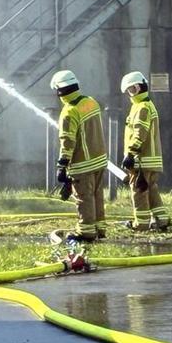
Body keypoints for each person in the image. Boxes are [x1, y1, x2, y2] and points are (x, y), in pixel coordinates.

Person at [49, 69, 108, 242]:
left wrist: (62, 164)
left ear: (59, 91)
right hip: (99, 160)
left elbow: (68, 141)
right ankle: (100, 229)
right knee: (97, 195)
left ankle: (86, 232)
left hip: (83, 164)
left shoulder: (69, 112)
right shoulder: (91, 102)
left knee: (84, 198)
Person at [120, 71, 168, 231]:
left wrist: (131, 153)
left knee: (139, 191)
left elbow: (139, 133)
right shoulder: (146, 105)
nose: (130, 93)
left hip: (142, 161)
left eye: (131, 89)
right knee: (151, 190)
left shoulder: (142, 108)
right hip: (150, 160)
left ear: (138, 88)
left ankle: (140, 224)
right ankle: (161, 220)